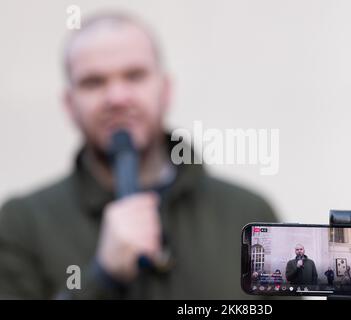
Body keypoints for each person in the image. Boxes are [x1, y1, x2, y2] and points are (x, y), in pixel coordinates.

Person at [0, 12, 277, 299]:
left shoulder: (248, 217)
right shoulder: (24, 224)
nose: (117, 97)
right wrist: (101, 278)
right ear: (70, 104)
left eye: (135, 76)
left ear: (166, 90)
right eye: (94, 82)